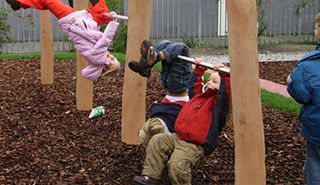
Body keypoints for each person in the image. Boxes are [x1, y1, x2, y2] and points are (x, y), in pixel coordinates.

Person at [132, 45, 231, 184]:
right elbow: (192, 85)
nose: (209, 82)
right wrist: (199, 70)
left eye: (214, 81)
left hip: (194, 145)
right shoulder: (198, 97)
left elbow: (225, 95)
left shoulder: (217, 106)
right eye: (209, 79)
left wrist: (225, 76)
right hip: (177, 137)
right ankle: (151, 176)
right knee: (157, 141)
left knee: (177, 165)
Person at [5, 0, 120, 82]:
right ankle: (20, 2)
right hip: (86, 22)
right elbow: (93, 36)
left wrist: (114, 23)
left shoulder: (97, 58)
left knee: (48, 1)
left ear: (106, 65)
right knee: (102, 13)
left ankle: (18, 2)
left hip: (73, 21)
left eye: (112, 61)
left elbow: (106, 39)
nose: (112, 57)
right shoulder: (99, 56)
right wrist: (110, 16)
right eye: (113, 58)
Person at [131, 40, 196, 146]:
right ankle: (151, 60)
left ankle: (148, 63)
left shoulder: (165, 116)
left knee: (180, 48)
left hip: (177, 85)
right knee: (168, 45)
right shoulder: (167, 116)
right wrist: (198, 69)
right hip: (172, 85)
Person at [287, 13, 320, 185]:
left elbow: (302, 95)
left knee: (315, 166)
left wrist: (290, 83)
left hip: (317, 131)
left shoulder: (307, 65)